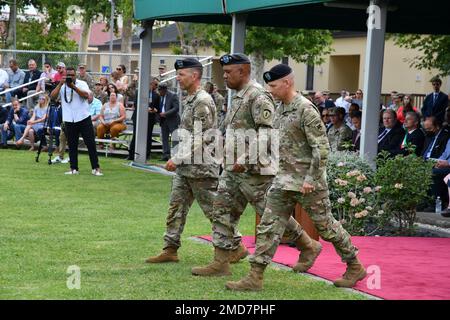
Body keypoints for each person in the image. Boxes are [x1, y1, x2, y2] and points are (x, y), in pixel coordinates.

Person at [225, 64, 365, 291]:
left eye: (273, 85)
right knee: (268, 226)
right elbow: (269, 139)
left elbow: (321, 148)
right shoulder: (279, 108)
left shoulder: (306, 110)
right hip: (283, 180)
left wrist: (311, 178)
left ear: (287, 83)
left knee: (326, 227)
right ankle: (255, 276)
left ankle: (354, 264)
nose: (269, 90)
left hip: (308, 183)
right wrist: (247, 158)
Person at [191, 54, 303, 277]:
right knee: (221, 210)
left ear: (243, 71)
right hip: (233, 170)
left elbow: (266, 133)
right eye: (223, 72)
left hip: (255, 172)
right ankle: (221, 262)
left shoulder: (258, 96)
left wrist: (247, 159)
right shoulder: (239, 96)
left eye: (228, 72)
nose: (224, 77)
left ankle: (307, 244)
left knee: (272, 215)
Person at [145, 57, 219, 263]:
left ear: (194, 76)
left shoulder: (203, 100)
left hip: (201, 168)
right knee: (175, 208)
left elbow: (200, 136)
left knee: (214, 210)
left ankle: (235, 245)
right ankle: (170, 249)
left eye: (181, 74)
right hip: (186, 168)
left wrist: (177, 158)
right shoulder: (190, 99)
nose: (177, 78)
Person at [50, 66, 102, 176]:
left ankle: (96, 168)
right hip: (69, 119)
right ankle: (74, 169)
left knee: (90, 144)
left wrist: (73, 86)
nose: (70, 77)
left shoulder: (81, 84)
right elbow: (52, 97)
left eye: (72, 75)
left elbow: (86, 96)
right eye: (68, 75)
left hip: (83, 118)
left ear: (76, 75)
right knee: (72, 145)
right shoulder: (62, 86)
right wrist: (60, 84)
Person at [128, 77, 160, 160]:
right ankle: (131, 154)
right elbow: (136, 104)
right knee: (136, 135)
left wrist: (154, 110)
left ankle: (146, 155)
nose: (153, 86)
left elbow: (157, 108)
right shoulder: (139, 92)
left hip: (150, 118)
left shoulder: (156, 95)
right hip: (138, 117)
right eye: (152, 84)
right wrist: (145, 109)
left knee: (148, 136)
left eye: (154, 85)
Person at [158, 82, 180, 161]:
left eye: (160, 91)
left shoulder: (173, 96)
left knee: (174, 138)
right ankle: (166, 155)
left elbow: (176, 108)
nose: (159, 92)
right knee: (164, 138)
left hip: (172, 120)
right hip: (163, 120)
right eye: (159, 90)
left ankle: (175, 156)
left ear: (165, 90)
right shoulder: (160, 96)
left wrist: (166, 114)